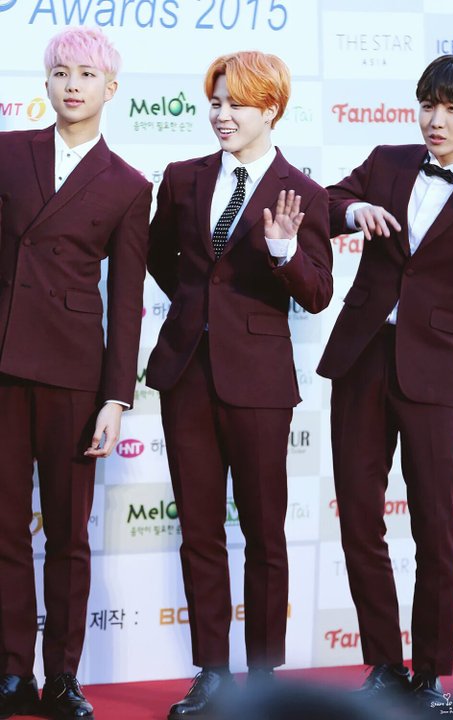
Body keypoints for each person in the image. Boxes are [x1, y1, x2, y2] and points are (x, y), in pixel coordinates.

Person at [147, 50, 332, 719]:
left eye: (237, 104)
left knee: (264, 534)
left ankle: (263, 680)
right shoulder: (182, 177)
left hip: (259, 381)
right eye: (216, 102)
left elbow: (318, 293)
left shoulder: (303, 192)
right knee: (199, 531)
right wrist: (198, 311)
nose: (222, 115)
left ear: (271, 108)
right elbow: (161, 258)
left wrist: (284, 252)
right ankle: (213, 674)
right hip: (186, 374)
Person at [318, 54, 453, 708]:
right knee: (359, 516)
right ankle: (384, 664)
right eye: (428, 105)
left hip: (434, 368)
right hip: (362, 357)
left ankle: (431, 676)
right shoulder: (387, 161)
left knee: (436, 524)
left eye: (452, 108)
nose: (436, 120)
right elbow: (324, 204)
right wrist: (356, 210)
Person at [0, 26, 151, 720]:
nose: (72, 84)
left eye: (87, 74)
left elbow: (127, 299)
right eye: (62, 72)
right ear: (46, 82)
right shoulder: (9, 153)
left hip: (73, 374)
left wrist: (116, 397)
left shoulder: (128, 185)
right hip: (4, 363)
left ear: (110, 89)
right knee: (4, 527)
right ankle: (11, 672)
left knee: (68, 534)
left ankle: (62, 676)